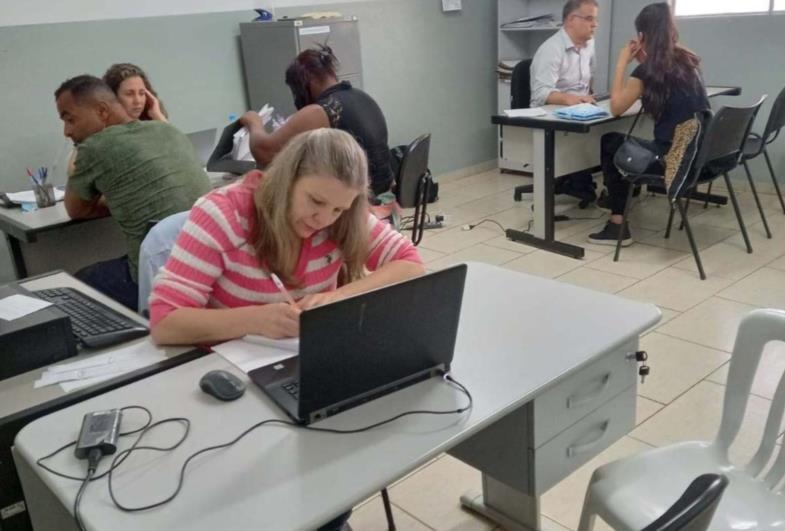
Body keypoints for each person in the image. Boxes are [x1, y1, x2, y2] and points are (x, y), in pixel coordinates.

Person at [149, 128, 424, 346]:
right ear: (287, 180)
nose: (324, 220)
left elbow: (410, 264)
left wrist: (339, 297)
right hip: (228, 366)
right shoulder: (222, 214)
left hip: (305, 355)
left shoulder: (344, 212)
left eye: (338, 209)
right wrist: (255, 320)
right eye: (315, 201)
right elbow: (164, 322)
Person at [55, 75, 211, 310]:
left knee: (78, 282)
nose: (67, 131)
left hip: (157, 276)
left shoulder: (95, 147)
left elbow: (76, 210)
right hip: (207, 265)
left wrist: (115, 198)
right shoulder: (168, 130)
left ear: (102, 111)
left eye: (70, 120)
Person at [588, 2, 708, 245]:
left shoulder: (647, 71)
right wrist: (645, 62)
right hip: (700, 156)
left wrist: (622, 63)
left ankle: (617, 224)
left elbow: (616, 107)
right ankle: (618, 198)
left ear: (642, 36)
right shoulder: (688, 61)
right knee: (625, 142)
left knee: (611, 141)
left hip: (672, 160)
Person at [239, 46, 394, 198]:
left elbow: (264, 152)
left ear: (310, 81)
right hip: (384, 192)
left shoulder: (323, 110)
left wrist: (254, 121)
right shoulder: (362, 97)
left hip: (358, 200)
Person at [529, 0, 600, 205]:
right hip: (550, 116)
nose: (594, 24)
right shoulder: (551, 49)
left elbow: (589, 78)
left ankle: (582, 182)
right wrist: (571, 99)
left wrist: (587, 97)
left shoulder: (589, 44)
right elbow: (541, 94)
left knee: (607, 132)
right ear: (571, 20)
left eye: (595, 19)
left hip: (578, 111)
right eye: (589, 19)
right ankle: (575, 181)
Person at [103, 63, 168, 122]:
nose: (138, 101)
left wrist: (158, 116)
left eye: (141, 93)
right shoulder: (102, 128)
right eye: (129, 94)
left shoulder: (152, 125)